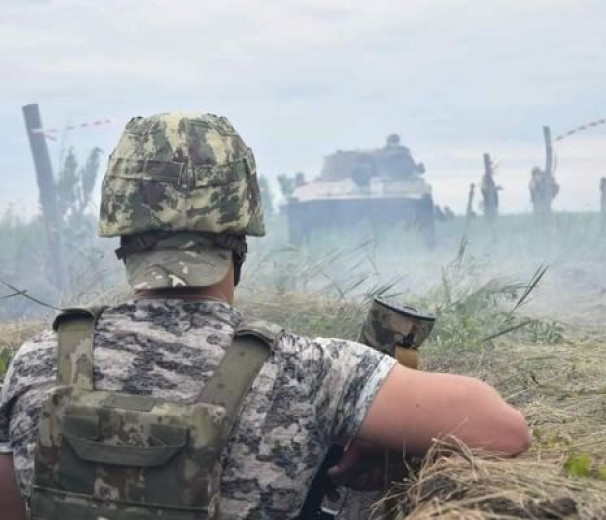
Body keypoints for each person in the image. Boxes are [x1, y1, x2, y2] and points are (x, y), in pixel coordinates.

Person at [0, 112, 531, 519]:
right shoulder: (309, 370)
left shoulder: (35, 363)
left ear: (121, 232)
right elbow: (504, 429)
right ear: (240, 234)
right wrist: (374, 426)